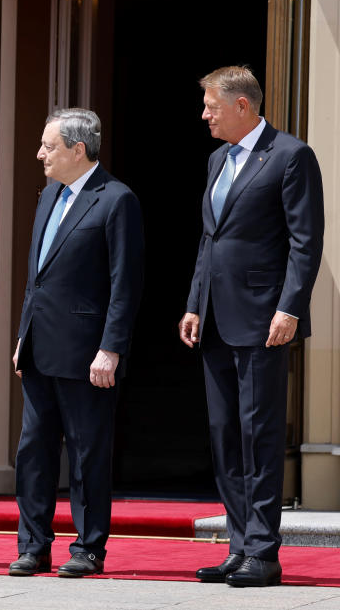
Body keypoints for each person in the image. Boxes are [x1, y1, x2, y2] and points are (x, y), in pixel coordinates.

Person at [180, 66, 324, 588]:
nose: (205, 115)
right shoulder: (218, 158)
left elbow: (306, 242)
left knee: (258, 434)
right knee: (224, 436)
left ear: (242, 106)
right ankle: (240, 547)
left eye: (211, 106)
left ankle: (264, 552)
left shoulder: (290, 156)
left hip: (265, 321)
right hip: (216, 319)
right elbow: (209, 239)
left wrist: (290, 307)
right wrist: (196, 302)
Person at [9, 108, 143, 578]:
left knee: (86, 452)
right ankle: (33, 545)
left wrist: (111, 347)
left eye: (49, 145)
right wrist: (24, 334)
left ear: (77, 149)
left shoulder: (116, 199)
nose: (40, 154)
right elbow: (37, 278)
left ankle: (88, 548)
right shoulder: (49, 196)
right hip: (40, 346)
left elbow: (125, 283)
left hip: (89, 352)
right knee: (34, 451)